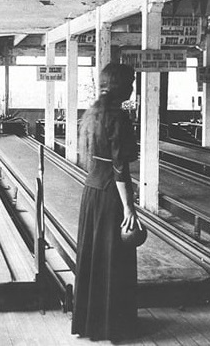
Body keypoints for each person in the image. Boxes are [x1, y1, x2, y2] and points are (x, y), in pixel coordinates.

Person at [72, 63, 141, 341]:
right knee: (114, 257)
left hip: (92, 191)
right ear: (121, 85)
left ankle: (90, 323)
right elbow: (120, 165)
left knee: (93, 256)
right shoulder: (118, 116)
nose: (133, 86)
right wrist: (129, 206)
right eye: (131, 81)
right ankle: (113, 325)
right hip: (111, 193)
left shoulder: (92, 112)